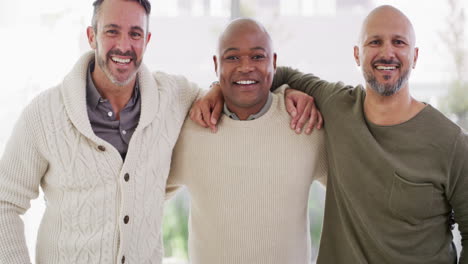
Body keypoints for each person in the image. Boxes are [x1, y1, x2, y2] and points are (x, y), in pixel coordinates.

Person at [0, 1, 320, 263]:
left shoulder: (172, 97)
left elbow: (232, 86)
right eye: (112, 31)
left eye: (135, 34)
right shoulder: (45, 115)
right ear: (92, 35)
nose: (124, 45)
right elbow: (5, 203)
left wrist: (283, 89)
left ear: (147, 41)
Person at [193, 5, 468, 264]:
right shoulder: (338, 105)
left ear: (415, 56)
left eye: (399, 42)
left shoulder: (450, 141)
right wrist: (218, 88)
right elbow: (273, 74)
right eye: (374, 42)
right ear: (357, 55)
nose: (387, 53)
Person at [166, 18, 327, 264]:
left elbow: (351, 198)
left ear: (273, 62)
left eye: (257, 57)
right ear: (216, 65)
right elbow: (141, 191)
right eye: (232, 58)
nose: (245, 67)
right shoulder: (189, 129)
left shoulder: (305, 124)